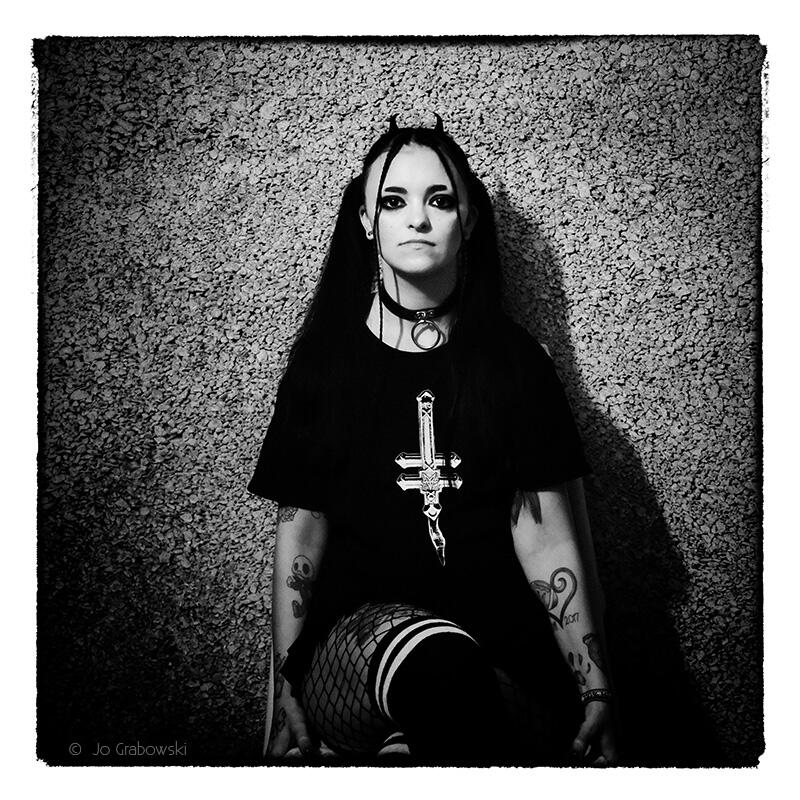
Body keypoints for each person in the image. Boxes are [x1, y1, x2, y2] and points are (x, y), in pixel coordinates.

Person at [248, 114, 618, 766]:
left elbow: (548, 540)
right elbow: (299, 539)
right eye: (394, 201)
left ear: (468, 220)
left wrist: (596, 686)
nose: (417, 218)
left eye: (439, 200)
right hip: (357, 646)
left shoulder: (515, 363)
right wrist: (282, 689)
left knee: (465, 700)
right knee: (440, 667)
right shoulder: (325, 367)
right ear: (366, 221)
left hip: (496, 641)